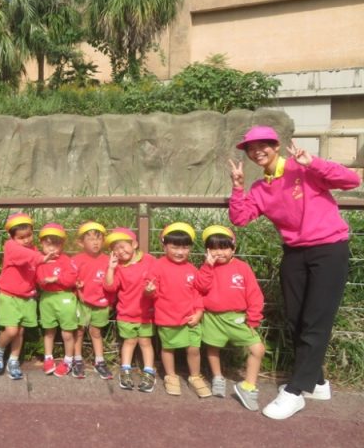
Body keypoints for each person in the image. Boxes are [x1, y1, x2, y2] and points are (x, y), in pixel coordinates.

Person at [229, 126, 360, 419]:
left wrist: (313, 163)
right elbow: (240, 218)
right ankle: (318, 383)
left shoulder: (302, 168)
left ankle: (295, 391)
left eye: (263, 145)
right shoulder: (260, 188)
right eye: (251, 148)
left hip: (329, 249)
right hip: (294, 253)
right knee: (296, 319)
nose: (256, 152)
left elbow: (352, 180)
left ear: (276, 146)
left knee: (316, 321)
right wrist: (238, 187)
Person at [194, 225, 265, 410]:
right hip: (212, 317)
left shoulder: (243, 268)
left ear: (233, 249)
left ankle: (248, 386)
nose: (219, 252)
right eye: (214, 248)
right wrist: (208, 266)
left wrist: (253, 318)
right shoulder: (206, 268)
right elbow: (200, 287)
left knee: (257, 349)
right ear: (207, 251)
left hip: (238, 319)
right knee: (213, 347)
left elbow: (254, 294)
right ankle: (217, 377)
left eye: (224, 247)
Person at [145, 222, 210, 398]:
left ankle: (195, 376)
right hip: (167, 317)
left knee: (193, 349)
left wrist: (199, 312)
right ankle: (171, 376)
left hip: (190, 318)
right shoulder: (158, 266)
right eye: (175, 247)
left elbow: (198, 293)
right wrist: (149, 291)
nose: (180, 252)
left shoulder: (192, 269)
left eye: (185, 247)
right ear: (164, 246)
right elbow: (151, 291)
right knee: (168, 348)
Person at [0, 213, 54, 380]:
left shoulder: (34, 251)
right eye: (21, 237)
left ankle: (14, 360)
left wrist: (44, 280)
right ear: (12, 237)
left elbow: (35, 271)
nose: (26, 240)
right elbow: (26, 256)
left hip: (27, 296)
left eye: (29, 235)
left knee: (20, 332)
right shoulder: (11, 247)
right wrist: (40, 258)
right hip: (9, 296)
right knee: (11, 331)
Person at [102, 227, 157, 392]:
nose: (120, 251)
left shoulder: (149, 260)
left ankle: (149, 371)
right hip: (126, 312)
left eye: (123, 246)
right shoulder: (118, 267)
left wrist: (151, 289)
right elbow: (110, 287)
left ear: (134, 244)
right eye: (115, 248)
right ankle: (125, 370)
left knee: (146, 342)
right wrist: (111, 268)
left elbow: (159, 279)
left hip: (147, 313)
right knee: (129, 341)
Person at [35, 223, 78, 378]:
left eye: (56, 245)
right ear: (42, 244)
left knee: (67, 332)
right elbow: (38, 278)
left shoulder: (66, 260)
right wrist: (43, 281)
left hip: (64, 297)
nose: (52, 249)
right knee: (49, 330)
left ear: (62, 245)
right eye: (48, 245)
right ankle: (48, 358)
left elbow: (72, 278)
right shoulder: (40, 260)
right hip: (47, 298)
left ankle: (68, 360)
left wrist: (56, 278)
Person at [72, 221, 113, 380]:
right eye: (90, 239)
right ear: (81, 243)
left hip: (101, 303)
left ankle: (99, 361)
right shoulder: (76, 260)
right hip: (81, 302)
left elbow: (113, 282)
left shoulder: (108, 260)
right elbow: (70, 280)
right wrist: (76, 288)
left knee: (96, 332)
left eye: (98, 238)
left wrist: (111, 302)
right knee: (79, 331)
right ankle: (77, 359)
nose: (95, 242)